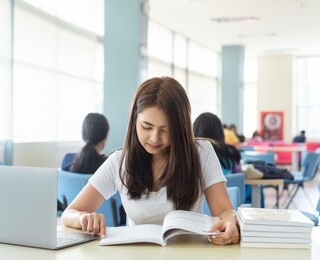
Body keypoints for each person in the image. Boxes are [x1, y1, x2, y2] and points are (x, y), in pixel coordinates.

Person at [61, 76, 240, 245]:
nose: (155, 138)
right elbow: (69, 213)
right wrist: (82, 218)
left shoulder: (202, 153)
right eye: (147, 127)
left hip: (189, 253)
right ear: (134, 121)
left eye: (165, 129)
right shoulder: (119, 161)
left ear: (181, 128)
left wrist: (230, 223)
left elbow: (224, 211)